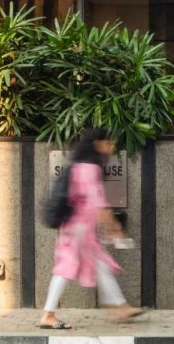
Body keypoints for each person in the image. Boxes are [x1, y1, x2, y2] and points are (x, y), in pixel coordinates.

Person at [40, 128, 140, 329]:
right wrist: (114, 228)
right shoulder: (89, 168)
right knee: (66, 267)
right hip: (78, 230)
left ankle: (121, 306)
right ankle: (48, 314)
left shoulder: (80, 166)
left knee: (100, 266)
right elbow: (97, 203)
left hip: (79, 229)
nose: (111, 147)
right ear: (98, 144)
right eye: (108, 142)